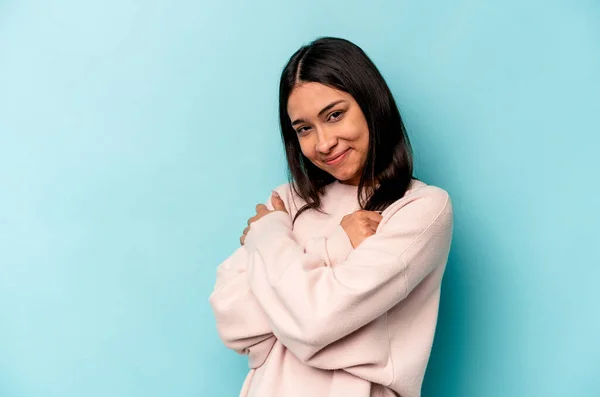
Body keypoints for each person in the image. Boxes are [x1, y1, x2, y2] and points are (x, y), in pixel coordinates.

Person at [208, 36, 454, 397]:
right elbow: (232, 320)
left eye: (335, 115)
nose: (323, 143)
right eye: (304, 128)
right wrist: (335, 247)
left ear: (371, 104)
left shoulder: (420, 209)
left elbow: (313, 321)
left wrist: (269, 241)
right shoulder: (286, 203)